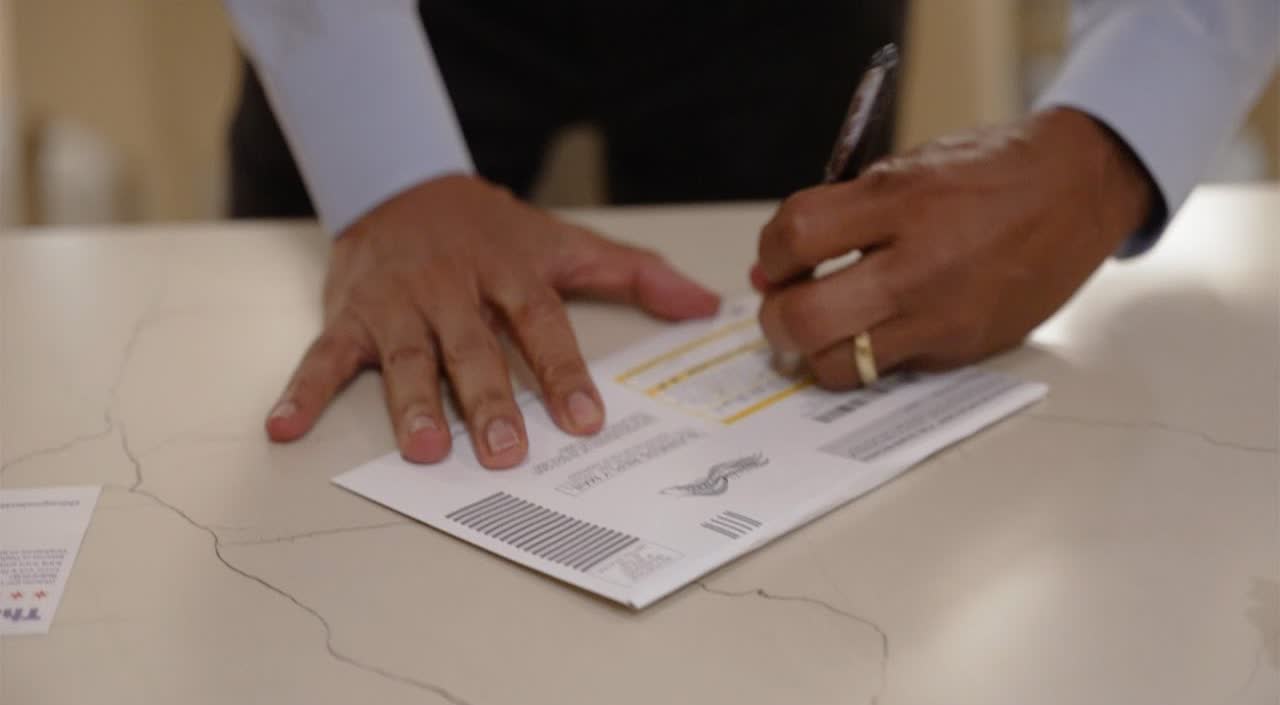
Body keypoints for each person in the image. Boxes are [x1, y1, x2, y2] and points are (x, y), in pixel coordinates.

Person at [223, 0, 1278, 469]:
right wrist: (385, 172)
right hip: (389, 19)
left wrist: (1109, 146)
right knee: (350, 411)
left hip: (782, 21)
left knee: (808, 331)